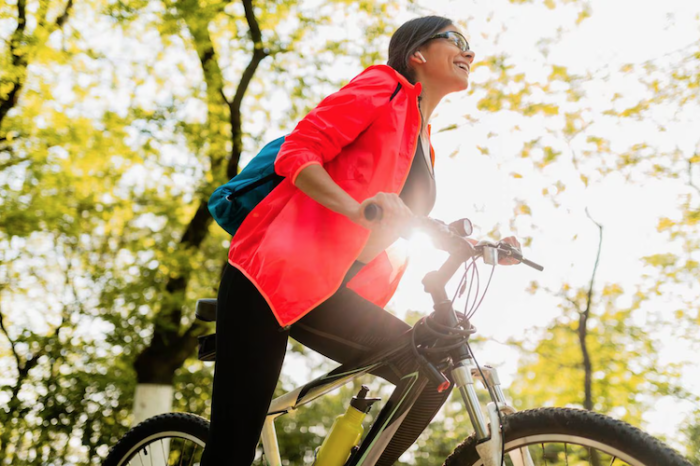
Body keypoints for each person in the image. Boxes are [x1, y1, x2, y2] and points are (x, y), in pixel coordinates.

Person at [201, 15, 520, 466]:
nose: (470, 54)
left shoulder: (423, 138)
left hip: (329, 290)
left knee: (430, 377)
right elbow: (299, 152)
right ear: (418, 54)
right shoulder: (383, 86)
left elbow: (405, 217)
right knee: (233, 443)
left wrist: (479, 244)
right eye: (458, 41)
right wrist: (354, 208)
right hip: (270, 276)